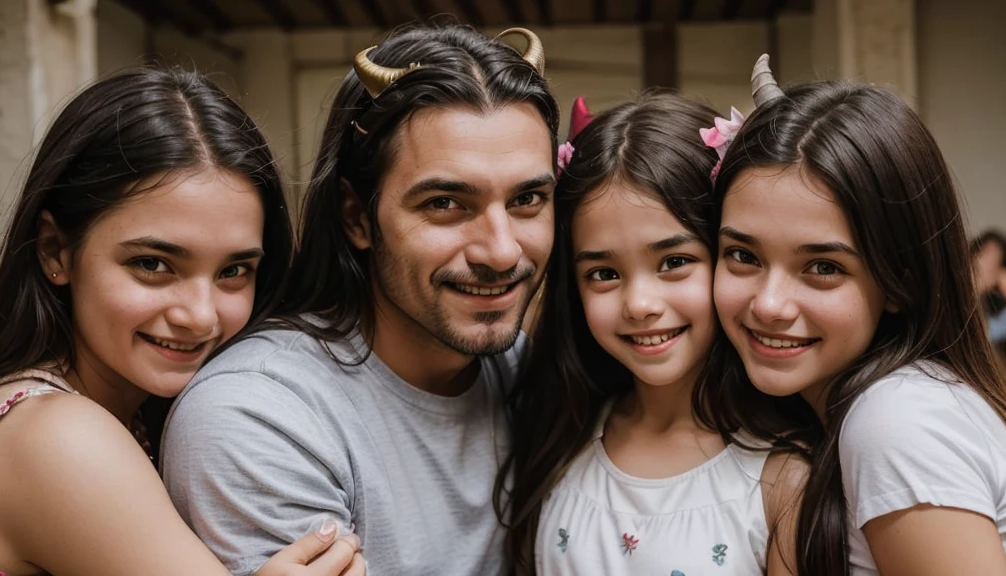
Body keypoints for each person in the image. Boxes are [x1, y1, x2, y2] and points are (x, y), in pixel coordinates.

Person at [160, 21, 559, 576]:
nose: (500, 250)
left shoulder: (528, 372)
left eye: (528, 199)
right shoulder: (259, 415)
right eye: (445, 203)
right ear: (357, 217)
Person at [0, 66, 363, 576]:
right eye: (152, 264)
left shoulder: (126, 414)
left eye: (233, 270)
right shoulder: (58, 438)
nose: (200, 315)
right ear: (56, 250)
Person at [710, 55, 1006, 575]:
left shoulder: (895, 420)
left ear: (900, 281)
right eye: (743, 256)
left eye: (822, 266)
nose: (769, 304)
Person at [497, 91, 807, 576]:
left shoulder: (783, 477)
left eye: (675, 262)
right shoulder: (557, 438)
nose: (640, 305)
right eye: (603, 273)